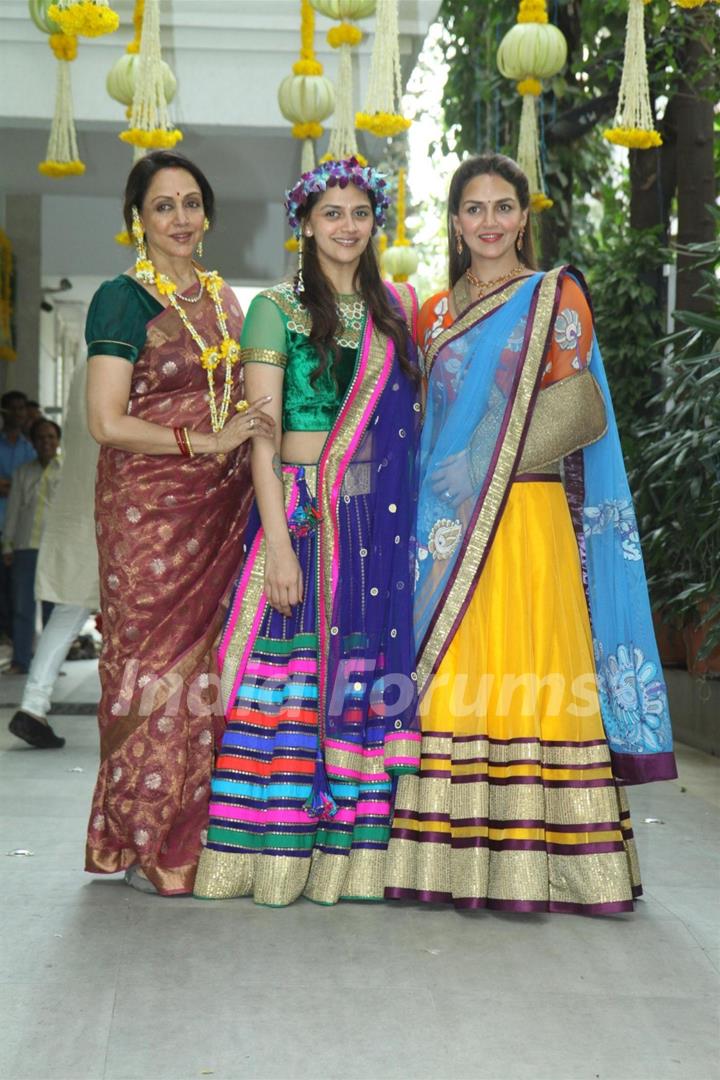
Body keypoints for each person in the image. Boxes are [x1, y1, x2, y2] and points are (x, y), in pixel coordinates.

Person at [385, 153, 677, 914]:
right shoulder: (435, 315)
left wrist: (481, 457)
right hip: (447, 532)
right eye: (473, 208)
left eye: (503, 207)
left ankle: (553, 870)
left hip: (528, 516)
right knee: (456, 679)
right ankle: (451, 866)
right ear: (454, 222)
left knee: (536, 669)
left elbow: (579, 408)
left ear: (524, 216)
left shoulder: (555, 295)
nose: (489, 222)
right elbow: (419, 426)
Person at [193, 158, 422, 907]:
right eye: (332, 213)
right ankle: (269, 858)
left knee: (358, 678)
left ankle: (351, 863)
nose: (347, 227)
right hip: (303, 510)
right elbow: (263, 440)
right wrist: (281, 547)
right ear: (305, 223)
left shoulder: (397, 311)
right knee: (287, 683)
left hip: (375, 524)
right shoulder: (277, 310)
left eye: (359, 213)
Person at [85, 150, 275, 896]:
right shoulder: (122, 300)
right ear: (138, 217)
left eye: (192, 203)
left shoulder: (228, 303)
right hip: (148, 514)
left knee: (211, 672)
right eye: (164, 206)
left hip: (221, 509)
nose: (181, 219)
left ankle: (198, 839)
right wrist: (206, 442)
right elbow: (105, 422)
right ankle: (141, 840)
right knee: (151, 674)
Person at [8, 363, 99, 750]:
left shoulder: (87, 366)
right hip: (110, 510)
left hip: (78, 512)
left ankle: (33, 705)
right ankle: (132, 712)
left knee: (68, 611)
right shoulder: (122, 359)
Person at [2, 418, 62, 674]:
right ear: (33, 443)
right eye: (40, 438)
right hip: (26, 547)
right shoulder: (23, 472)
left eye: (50, 437)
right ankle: (21, 661)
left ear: (58, 441)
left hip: (56, 550)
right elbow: (13, 510)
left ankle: (50, 665)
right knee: (23, 608)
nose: (46, 442)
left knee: (53, 610)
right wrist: (7, 545)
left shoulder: (69, 472)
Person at [0, 391, 36, 642]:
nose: (18, 413)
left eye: (22, 408)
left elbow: (30, 487)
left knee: (17, 590)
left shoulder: (32, 447)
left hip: (19, 530)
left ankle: (15, 639)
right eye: (13, 408)